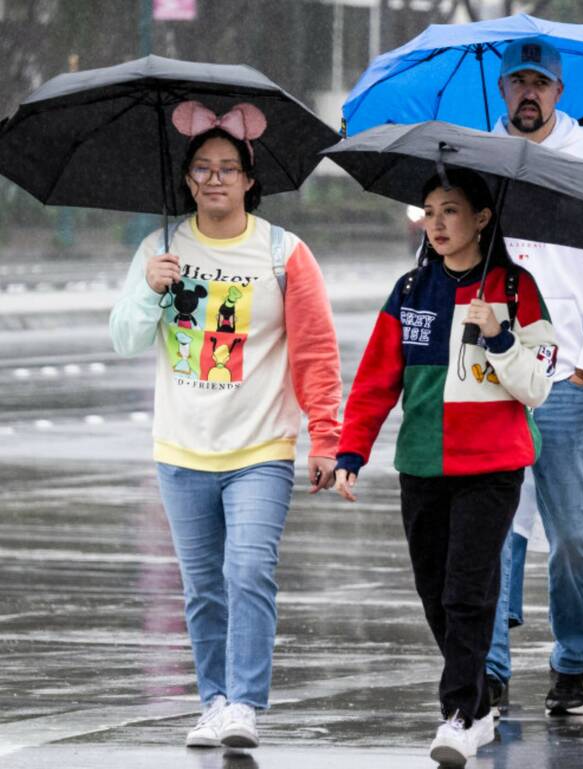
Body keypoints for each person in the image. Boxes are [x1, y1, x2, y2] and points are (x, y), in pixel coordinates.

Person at [108, 101, 343, 749]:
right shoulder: (159, 248)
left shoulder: (282, 253)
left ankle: (244, 702)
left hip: (260, 447)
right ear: (187, 180)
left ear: (248, 179)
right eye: (202, 169)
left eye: (227, 168)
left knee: (248, 571)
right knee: (202, 586)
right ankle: (212, 700)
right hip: (181, 449)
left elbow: (316, 350)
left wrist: (327, 435)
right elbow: (126, 337)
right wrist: (150, 289)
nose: (214, 179)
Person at [333, 169, 555, 765]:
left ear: (482, 218)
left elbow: (538, 387)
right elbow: (377, 381)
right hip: (423, 463)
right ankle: (479, 706)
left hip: (494, 464)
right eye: (428, 211)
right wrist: (350, 452)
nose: (435, 223)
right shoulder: (409, 290)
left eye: (450, 211)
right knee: (435, 590)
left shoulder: (516, 289)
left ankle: (457, 712)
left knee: (466, 591)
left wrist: (500, 337)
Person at [484, 36, 583, 717]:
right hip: (488, 372)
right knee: (490, 524)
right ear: (503, 89)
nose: (528, 94)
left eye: (539, 83)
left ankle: (574, 655)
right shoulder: (477, 160)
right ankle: (488, 661)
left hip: (564, 377)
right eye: (517, 82)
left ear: (559, 91)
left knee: (572, 527)